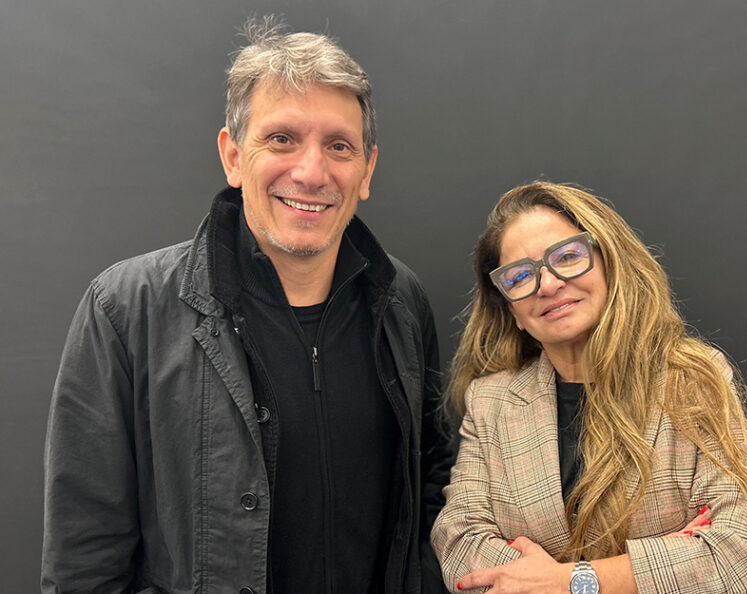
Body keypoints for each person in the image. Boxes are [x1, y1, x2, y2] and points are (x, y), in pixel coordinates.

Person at [42, 17, 452, 593]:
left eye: (339, 146)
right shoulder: (125, 310)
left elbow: (433, 484)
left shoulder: (401, 302)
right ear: (233, 156)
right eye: (281, 139)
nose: (311, 172)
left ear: (367, 170)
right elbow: (84, 559)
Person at [431, 182, 747, 593]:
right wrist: (659, 566)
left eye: (567, 257)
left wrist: (570, 581)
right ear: (512, 310)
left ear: (609, 263)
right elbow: (458, 543)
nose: (547, 285)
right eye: (520, 276)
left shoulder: (694, 380)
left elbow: (743, 556)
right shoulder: (490, 401)